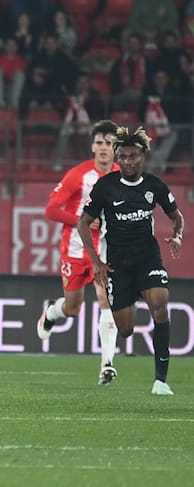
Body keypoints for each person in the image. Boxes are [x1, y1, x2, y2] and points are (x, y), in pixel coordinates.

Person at [77, 126, 184, 395]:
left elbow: (176, 216)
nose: (127, 162)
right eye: (122, 157)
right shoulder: (106, 187)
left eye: (132, 156)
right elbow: (83, 222)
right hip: (118, 266)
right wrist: (97, 262)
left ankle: (161, 380)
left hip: (148, 260)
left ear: (142, 157)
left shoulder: (154, 185)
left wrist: (178, 236)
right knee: (125, 330)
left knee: (160, 307)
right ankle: (133, 295)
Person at [37, 120, 120, 385]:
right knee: (72, 308)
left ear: (116, 148)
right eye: (99, 142)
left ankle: (107, 365)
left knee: (106, 298)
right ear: (92, 146)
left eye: (109, 143)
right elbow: (51, 210)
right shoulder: (78, 175)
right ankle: (51, 312)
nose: (103, 147)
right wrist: (82, 220)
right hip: (75, 249)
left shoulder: (123, 176)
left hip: (104, 250)